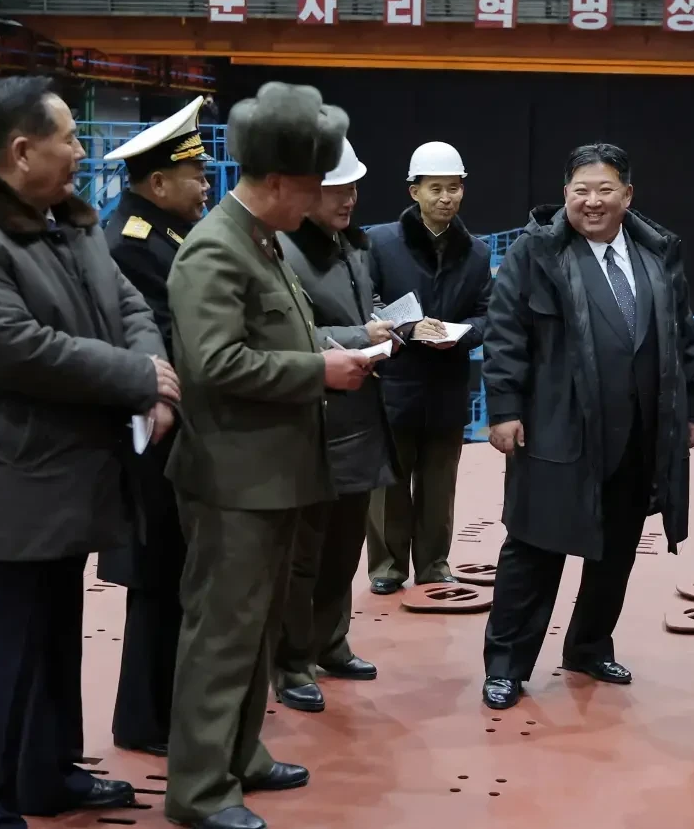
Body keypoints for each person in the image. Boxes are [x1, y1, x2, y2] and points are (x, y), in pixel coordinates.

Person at [0, 75, 174, 828]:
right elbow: (20, 349)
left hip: (62, 481)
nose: (81, 152)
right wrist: (137, 378)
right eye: (68, 139)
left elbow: (128, 304)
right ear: (22, 150)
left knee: (54, 647)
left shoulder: (69, 219)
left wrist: (154, 376)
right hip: (1, 490)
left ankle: (47, 776)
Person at [162, 83, 370, 829]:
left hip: (272, 478)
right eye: (312, 189)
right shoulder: (215, 251)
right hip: (233, 482)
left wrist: (332, 355)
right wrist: (320, 372)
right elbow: (215, 363)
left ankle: (239, 756)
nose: (317, 204)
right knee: (222, 636)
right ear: (278, 183)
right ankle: (198, 790)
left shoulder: (260, 241)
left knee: (255, 632)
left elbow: (280, 335)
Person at [479, 142, 694, 711]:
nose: (593, 201)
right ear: (565, 195)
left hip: (637, 435)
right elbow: (505, 333)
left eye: (605, 189)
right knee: (535, 548)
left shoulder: (657, 253)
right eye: (581, 190)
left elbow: (683, 336)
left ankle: (588, 647)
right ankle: (506, 665)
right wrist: (504, 409)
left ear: (627, 195)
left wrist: (692, 410)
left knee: (616, 550)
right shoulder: (537, 252)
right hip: (556, 430)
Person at [96, 95, 212, 757]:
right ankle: (146, 720)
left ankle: (165, 710)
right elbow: (169, 342)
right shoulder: (132, 245)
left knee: (173, 581)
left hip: (175, 440)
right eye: (195, 176)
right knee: (158, 580)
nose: (205, 186)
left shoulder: (166, 237)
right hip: (155, 444)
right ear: (159, 183)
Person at [273, 138, 395, 713]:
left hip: (358, 420)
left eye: (353, 187)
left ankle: (330, 641)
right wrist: (357, 337)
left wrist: (385, 328)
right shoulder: (281, 250)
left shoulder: (350, 245)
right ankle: (291, 661)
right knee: (304, 555)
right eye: (336, 189)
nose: (348, 199)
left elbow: (356, 313)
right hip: (313, 423)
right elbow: (285, 336)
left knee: (344, 548)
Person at [365, 141, 491, 594]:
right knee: (389, 481)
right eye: (435, 188)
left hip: (446, 382)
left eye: (454, 188)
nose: (446, 198)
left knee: (440, 482)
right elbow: (366, 302)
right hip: (394, 379)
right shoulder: (381, 242)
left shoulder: (476, 252)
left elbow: (487, 313)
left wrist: (460, 333)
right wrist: (410, 328)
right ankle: (387, 567)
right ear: (413, 191)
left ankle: (435, 563)